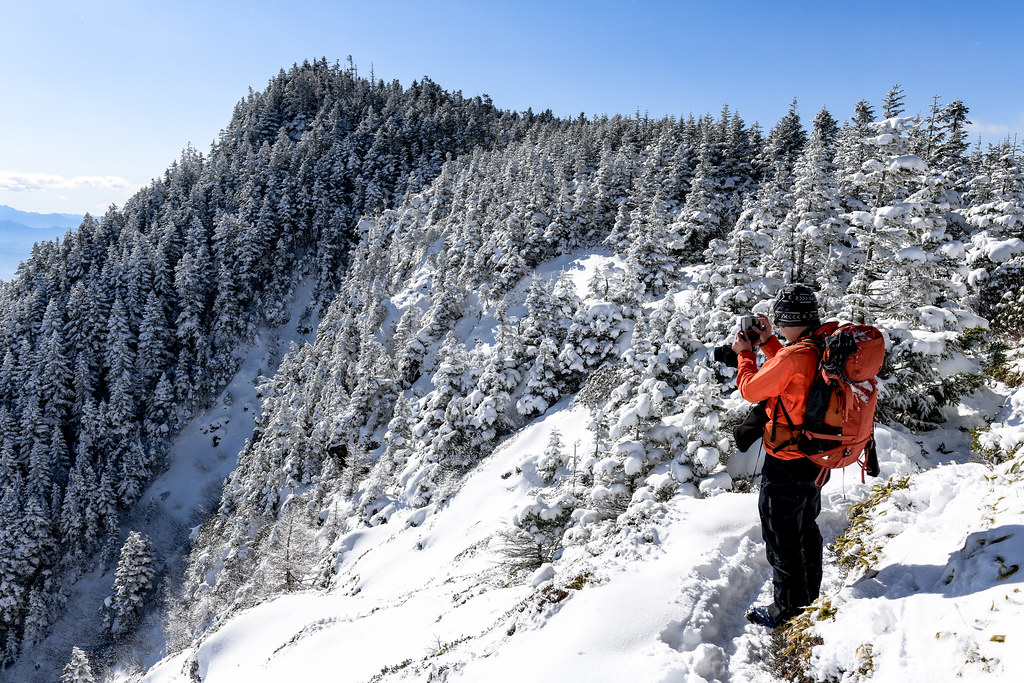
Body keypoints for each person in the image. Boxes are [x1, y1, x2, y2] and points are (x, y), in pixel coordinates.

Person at [731, 284, 828, 629]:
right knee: (805, 526)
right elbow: (792, 374)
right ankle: (808, 596)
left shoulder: (795, 356)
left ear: (787, 319)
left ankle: (788, 610)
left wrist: (745, 354)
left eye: (780, 320)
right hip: (816, 455)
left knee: (781, 536)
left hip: (787, 460)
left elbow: (751, 388)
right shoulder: (820, 344)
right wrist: (770, 342)